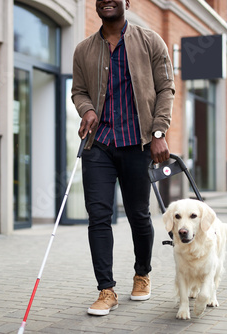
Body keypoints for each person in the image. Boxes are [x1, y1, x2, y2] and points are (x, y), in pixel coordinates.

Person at [71, 0, 175, 316]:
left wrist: (159, 133)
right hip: (99, 145)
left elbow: (166, 89)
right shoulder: (83, 50)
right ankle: (106, 289)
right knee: (99, 216)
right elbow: (78, 91)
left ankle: (142, 273)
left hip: (138, 144)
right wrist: (86, 109)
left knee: (138, 215)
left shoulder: (150, 41)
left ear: (127, 2)